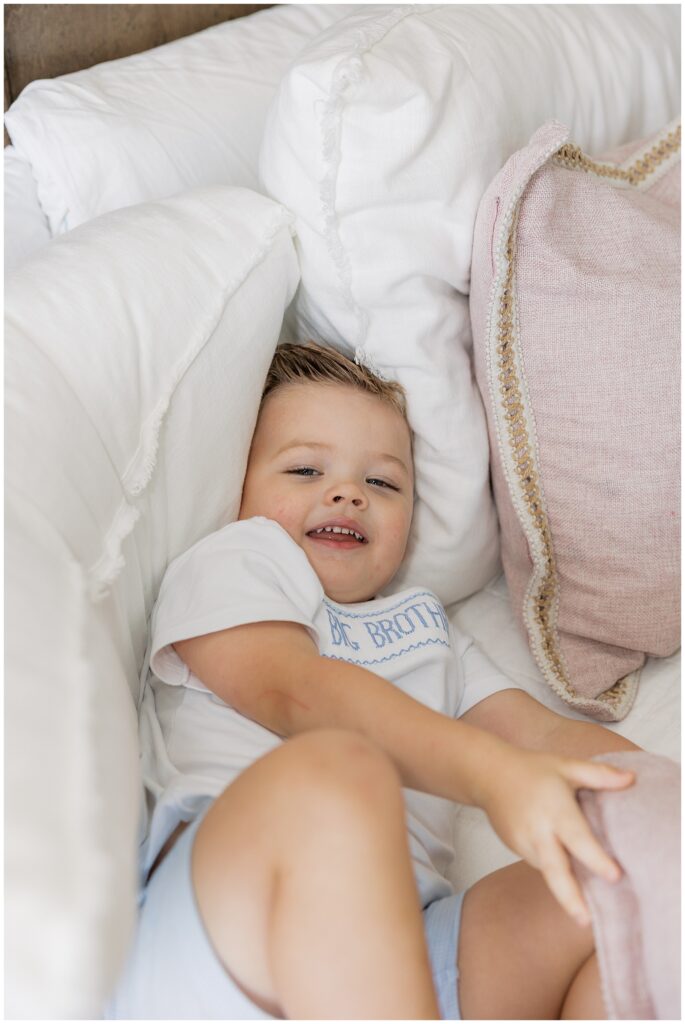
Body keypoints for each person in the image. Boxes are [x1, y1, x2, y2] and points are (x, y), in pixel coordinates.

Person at [109, 341, 639, 1020]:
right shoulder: (240, 559)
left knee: (628, 878)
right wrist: (489, 775)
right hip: (231, 932)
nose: (347, 493)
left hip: (409, 952)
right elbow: (294, 691)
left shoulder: (430, 630)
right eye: (305, 469)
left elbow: (541, 737)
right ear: (238, 489)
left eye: (383, 483)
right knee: (340, 770)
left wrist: (654, 794)